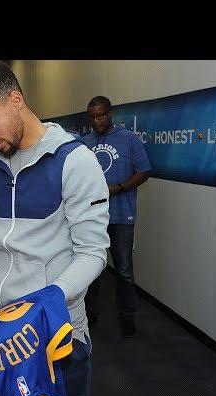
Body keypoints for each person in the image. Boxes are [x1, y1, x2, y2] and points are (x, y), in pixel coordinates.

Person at [0, 61, 110, 396]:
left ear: (16, 100)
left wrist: (48, 299)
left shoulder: (75, 162)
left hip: (54, 332)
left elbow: (93, 253)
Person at [81, 95, 152, 337]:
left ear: (110, 114)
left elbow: (144, 171)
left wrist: (119, 188)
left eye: (100, 115)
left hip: (121, 217)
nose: (96, 120)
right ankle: (90, 315)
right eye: (92, 116)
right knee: (91, 271)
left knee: (123, 271)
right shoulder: (84, 143)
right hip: (91, 219)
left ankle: (127, 318)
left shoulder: (128, 139)